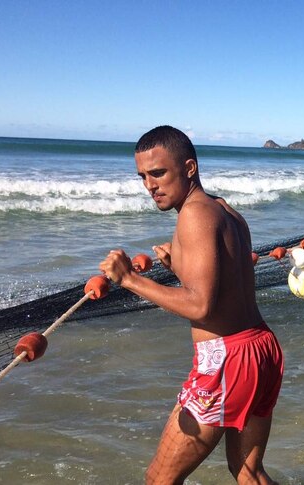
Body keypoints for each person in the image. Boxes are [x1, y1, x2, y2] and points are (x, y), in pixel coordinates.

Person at [99, 126, 282, 484]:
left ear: (189, 168)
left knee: (159, 479)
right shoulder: (224, 209)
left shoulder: (194, 215)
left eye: (158, 173)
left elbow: (201, 307)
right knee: (248, 473)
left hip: (227, 360)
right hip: (260, 348)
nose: (149, 185)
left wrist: (129, 280)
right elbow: (227, 282)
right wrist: (178, 267)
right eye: (142, 176)